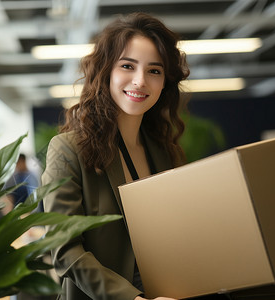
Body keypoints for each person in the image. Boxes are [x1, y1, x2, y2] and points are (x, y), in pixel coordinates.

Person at [41, 12, 190, 300]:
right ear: (107, 70)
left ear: (164, 83)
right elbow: (64, 250)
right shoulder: (68, 149)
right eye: (127, 66)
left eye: (154, 71)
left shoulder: (163, 150)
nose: (140, 81)